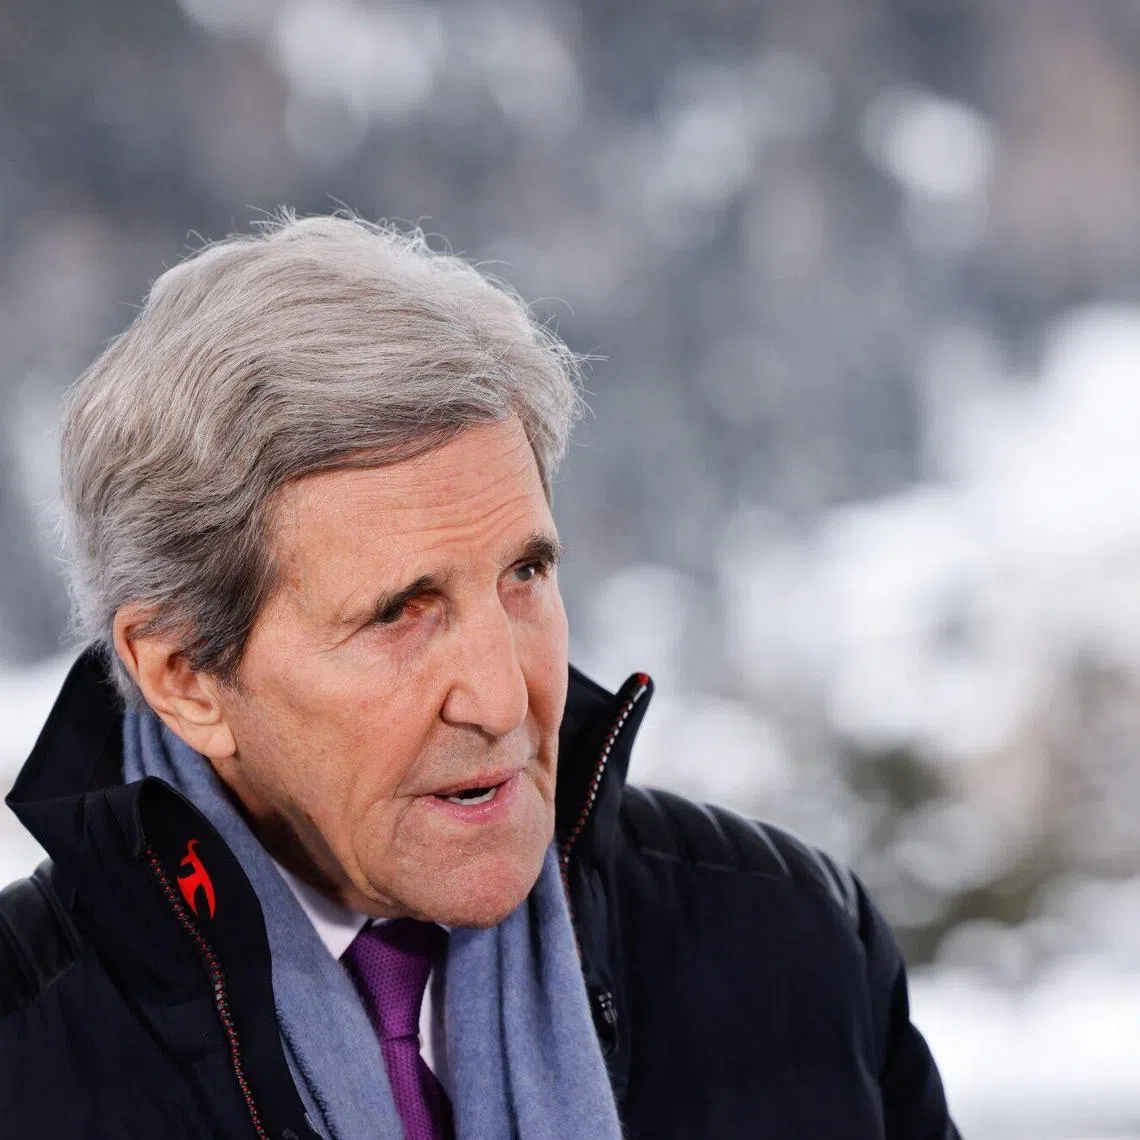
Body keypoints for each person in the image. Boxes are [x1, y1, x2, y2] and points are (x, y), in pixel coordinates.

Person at [0, 213, 959, 1139]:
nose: (504, 699)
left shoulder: (793, 940)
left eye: (525, 575)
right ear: (185, 678)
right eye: (396, 615)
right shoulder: (21, 1049)